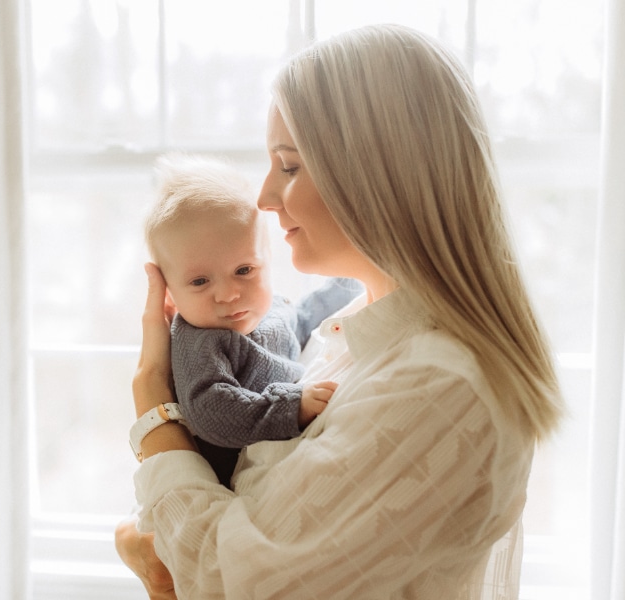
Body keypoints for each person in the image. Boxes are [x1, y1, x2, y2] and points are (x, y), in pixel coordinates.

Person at [117, 24, 565, 599]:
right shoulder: (348, 336)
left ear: (376, 175)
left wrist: (153, 407)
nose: (264, 197)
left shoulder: (438, 386)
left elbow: (232, 581)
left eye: (289, 165)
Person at [144, 153, 362, 486]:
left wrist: (351, 277)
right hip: (221, 488)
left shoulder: (271, 310)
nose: (229, 294)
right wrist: (291, 407)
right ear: (170, 295)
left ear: (266, 261)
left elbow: (303, 320)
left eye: (244, 270)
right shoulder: (200, 341)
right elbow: (211, 411)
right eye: (200, 281)